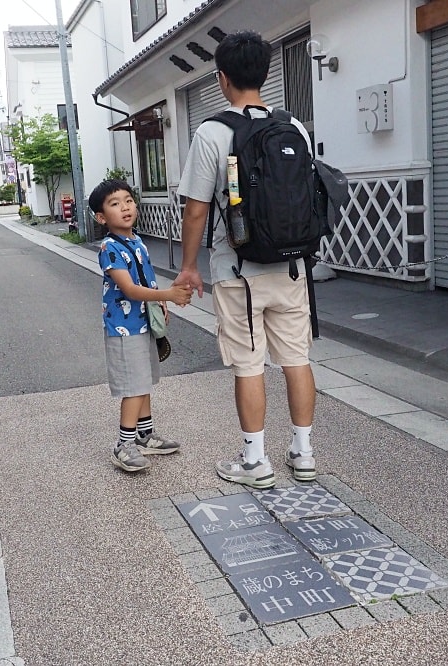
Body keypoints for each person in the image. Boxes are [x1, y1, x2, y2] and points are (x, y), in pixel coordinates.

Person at [175, 31, 317, 490]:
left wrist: (189, 265)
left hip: (237, 269)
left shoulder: (212, 132)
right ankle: (303, 451)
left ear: (222, 78)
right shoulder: (292, 128)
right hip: (292, 266)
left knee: (249, 364)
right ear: (266, 72)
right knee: (296, 359)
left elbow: (196, 207)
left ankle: (256, 461)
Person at [90, 179, 193, 472]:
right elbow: (130, 290)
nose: (125, 207)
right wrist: (169, 296)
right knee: (133, 386)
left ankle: (146, 435)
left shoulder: (137, 241)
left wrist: (159, 304)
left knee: (144, 380)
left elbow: (145, 280)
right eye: (114, 203)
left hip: (143, 323)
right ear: (101, 217)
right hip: (124, 328)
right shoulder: (110, 248)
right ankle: (124, 444)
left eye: (128, 200)